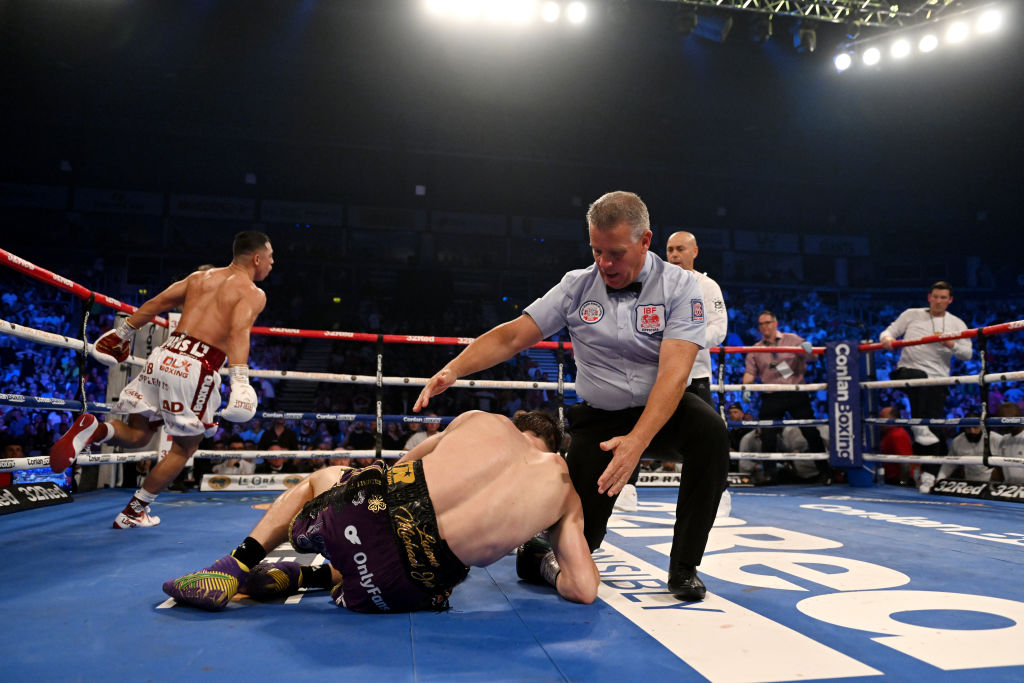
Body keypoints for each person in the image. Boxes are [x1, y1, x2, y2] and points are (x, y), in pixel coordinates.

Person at [413, 191, 730, 601]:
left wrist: (638, 441)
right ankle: (536, 552)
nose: (605, 263)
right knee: (580, 539)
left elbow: (675, 372)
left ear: (646, 241)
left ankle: (684, 568)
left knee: (710, 432)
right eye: (597, 251)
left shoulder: (682, 286)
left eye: (615, 253)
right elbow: (512, 335)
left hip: (663, 408)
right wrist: (454, 368)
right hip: (599, 418)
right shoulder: (576, 287)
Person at [162, 410, 599, 612]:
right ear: (555, 453)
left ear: (517, 426)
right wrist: (543, 562)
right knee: (428, 553)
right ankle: (314, 578)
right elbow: (583, 590)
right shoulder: (563, 494)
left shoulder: (483, 421)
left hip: (362, 519)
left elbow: (401, 471)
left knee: (331, 478)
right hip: (406, 592)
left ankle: (232, 566)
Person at [49, 231, 274, 528]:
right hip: (196, 365)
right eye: (271, 257)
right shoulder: (253, 292)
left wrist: (125, 332)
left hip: (163, 355)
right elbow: (238, 331)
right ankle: (134, 511)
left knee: (139, 434)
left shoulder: (199, 278)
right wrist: (241, 380)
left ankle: (97, 429)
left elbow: (157, 302)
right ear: (257, 258)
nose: (272, 263)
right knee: (184, 448)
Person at [880, 281, 972, 492]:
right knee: (925, 424)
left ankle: (929, 474)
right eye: (935, 297)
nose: (938, 301)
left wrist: (951, 344)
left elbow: (967, 354)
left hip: (937, 380)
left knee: (933, 430)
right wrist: (886, 338)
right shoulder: (911, 314)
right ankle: (919, 430)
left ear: (950, 300)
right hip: (907, 371)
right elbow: (889, 331)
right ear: (929, 297)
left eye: (943, 298)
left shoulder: (957, 323)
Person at [741, 310, 828, 483]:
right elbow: (750, 374)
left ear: (775, 323)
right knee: (767, 434)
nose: (764, 326)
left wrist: (808, 346)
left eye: (767, 322)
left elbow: (812, 355)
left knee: (810, 431)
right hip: (772, 395)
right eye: (761, 324)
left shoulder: (792, 339)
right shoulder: (756, 349)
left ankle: (825, 471)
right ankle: (770, 474)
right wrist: (745, 388)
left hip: (795, 392)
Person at [664, 231, 728, 407]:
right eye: (670, 250)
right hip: (659, 374)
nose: (674, 254)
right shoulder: (654, 285)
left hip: (695, 373)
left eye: (680, 249)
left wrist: (688, 342)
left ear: (694, 252)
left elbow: (718, 328)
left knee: (700, 432)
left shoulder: (708, 286)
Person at [937, 412, 999, 483]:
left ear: (981, 426)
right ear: (964, 427)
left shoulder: (995, 439)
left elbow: (1006, 462)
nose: (972, 431)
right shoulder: (957, 441)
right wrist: (939, 479)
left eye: (975, 427)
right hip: (969, 482)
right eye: (968, 428)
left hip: (991, 481)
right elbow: (949, 464)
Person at [877, 405, 915, 486]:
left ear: (893, 419)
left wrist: (903, 483)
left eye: (882, 417)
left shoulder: (897, 434)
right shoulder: (888, 434)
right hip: (891, 481)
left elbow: (906, 463)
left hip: (898, 482)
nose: (879, 421)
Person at [990, 402, 1024, 484]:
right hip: (1009, 489)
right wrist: (991, 484)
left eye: (1004, 420)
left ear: (1016, 417)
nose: (1001, 424)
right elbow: (999, 468)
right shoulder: (1004, 439)